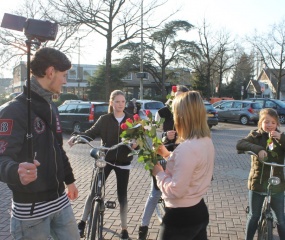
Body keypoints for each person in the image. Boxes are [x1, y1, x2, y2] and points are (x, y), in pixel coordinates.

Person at [0, 47, 80, 240]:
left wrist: (69, 180)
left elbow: (57, 148)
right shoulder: (14, 111)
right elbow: (2, 158)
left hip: (60, 201)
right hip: (31, 211)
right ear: (50, 72)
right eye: (64, 75)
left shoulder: (51, 106)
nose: (65, 80)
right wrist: (15, 171)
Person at [68, 90, 136, 240]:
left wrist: (135, 143)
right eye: (117, 101)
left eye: (123, 102)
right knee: (93, 191)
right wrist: (77, 138)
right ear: (111, 103)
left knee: (122, 195)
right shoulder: (104, 119)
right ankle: (82, 222)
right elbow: (90, 133)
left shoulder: (131, 120)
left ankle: (124, 229)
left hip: (124, 162)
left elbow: (138, 139)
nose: (120, 105)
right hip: (106, 160)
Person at [152, 91, 215, 240]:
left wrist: (158, 173)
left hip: (180, 219)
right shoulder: (205, 141)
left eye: (175, 113)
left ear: (182, 117)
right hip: (198, 210)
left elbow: (176, 190)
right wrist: (168, 155)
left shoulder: (186, 148)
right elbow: (191, 167)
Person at [138, 85, 189, 240]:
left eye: (182, 97)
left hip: (181, 157)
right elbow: (153, 135)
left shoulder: (189, 114)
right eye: (176, 96)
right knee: (155, 193)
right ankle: (143, 227)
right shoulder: (162, 113)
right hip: (163, 154)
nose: (178, 100)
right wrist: (166, 136)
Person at [236, 108, 285, 240]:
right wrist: (257, 149)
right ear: (260, 123)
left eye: (273, 122)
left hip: (277, 184)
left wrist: (282, 139)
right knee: (254, 215)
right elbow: (240, 144)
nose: (269, 125)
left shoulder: (281, 137)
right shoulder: (255, 135)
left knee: (281, 218)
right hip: (257, 183)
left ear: (277, 124)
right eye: (266, 121)